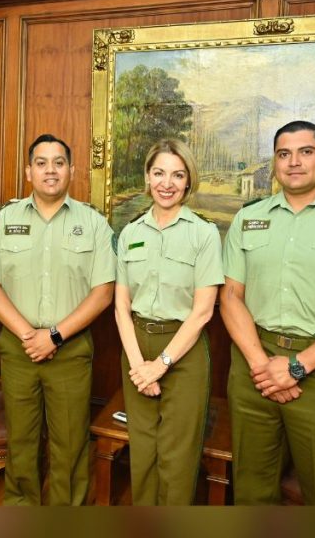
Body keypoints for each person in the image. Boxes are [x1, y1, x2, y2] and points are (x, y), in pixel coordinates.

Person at [0, 134, 115, 505]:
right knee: (22, 440)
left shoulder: (94, 223)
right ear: (28, 171)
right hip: (18, 350)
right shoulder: (4, 220)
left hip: (71, 350)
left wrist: (54, 336)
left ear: (72, 170)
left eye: (59, 162)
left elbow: (103, 293)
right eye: (42, 163)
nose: (51, 170)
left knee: (70, 443)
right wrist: (29, 334)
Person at [220, 120, 315, 505]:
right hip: (253, 365)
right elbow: (230, 297)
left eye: (306, 152)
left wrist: (297, 367)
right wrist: (262, 364)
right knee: (252, 487)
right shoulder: (249, 218)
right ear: (275, 162)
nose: (294, 162)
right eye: (283, 154)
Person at [114, 139, 223, 505]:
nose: (167, 183)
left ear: (188, 182)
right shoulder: (130, 233)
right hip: (136, 348)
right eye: (159, 173)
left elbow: (203, 311)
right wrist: (137, 366)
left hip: (183, 351)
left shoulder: (203, 234)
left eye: (177, 175)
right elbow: (121, 307)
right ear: (147, 177)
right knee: (142, 451)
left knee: (177, 458)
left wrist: (159, 366)